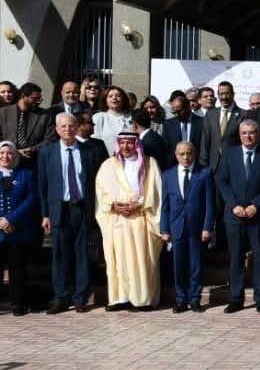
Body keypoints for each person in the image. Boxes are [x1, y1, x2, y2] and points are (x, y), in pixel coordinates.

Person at [39, 113, 105, 312]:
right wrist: (45, 214)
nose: (67, 129)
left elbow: (98, 182)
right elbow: (42, 185)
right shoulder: (47, 152)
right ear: (57, 129)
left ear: (77, 128)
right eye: (63, 126)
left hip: (82, 208)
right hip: (59, 210)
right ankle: (61, 298)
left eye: (71, 126)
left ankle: (80, 299)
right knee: (60, 255)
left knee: (82, 254)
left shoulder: (89, 151)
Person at [95, 131, 163, 311]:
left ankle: (142, 299)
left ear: (136, 144)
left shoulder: (150, 163)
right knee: (119, 261)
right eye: (122, 142)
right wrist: (113, 205)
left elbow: (156, 191)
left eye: (130, 142)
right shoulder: (108, 165)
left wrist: (139, 204)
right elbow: (100, 192)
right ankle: (120, 298)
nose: (126, 146)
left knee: (141, 261)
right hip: (117, 221)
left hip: (140, 220)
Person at [216, 120, 260, 313]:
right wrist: (234, 205)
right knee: (236, 258)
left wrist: (256, 205)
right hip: (235, 216)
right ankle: (236, 298)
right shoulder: (229, 155)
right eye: (244, 133)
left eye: (251, 132)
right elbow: (222, 181)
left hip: (258, 216)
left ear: (258, 134)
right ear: (239, 135)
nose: (248, 136)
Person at [159, 140, 215, 313]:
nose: (185, 157)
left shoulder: (204, 173)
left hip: (197, 228)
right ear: (176, 156)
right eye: (181, 154)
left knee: (195, 264)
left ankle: (195, 298)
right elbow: (165, 205)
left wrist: (207, 227)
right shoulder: (168, 175)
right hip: (176, 227)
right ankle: (181, 299)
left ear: (194, 154)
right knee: (178, 265)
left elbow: (210, 203)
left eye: (189, 153)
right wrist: (164, 229)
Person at [0, 142, 38, 314]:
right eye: (2, 153)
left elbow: (31, 199)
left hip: (18, 229)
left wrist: (11, 219)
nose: (5, 156)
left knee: (17, 268)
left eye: (9, 153)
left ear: (15, 155)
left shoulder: (26, 174)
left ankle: (18, 303)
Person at [0, 82, 55, 167]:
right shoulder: (3, 113)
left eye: (39, 98)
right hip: (6, 162)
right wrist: (11, 150)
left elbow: (50, 139)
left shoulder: (45, 116)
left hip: (32, 163)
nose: (38, 101)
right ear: (23, 96)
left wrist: (31, 150)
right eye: (34, 98)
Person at [198, 82, 244, 173]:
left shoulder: (243, 114)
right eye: (221, 94)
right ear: (218, 95)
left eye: (227, 93)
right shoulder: (210, 114)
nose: (224, 97)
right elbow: (205, 142)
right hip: (213, 166)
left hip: (234, 165)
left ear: (233, 94)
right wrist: (203, 165)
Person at [161, 90, 204, 166]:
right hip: (175, 166)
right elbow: (166, 150)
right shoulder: (168, 124)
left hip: (197, 166)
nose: (177, 114)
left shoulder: (202, 122)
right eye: (174, 112)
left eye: (179, 111)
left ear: (188, 107)